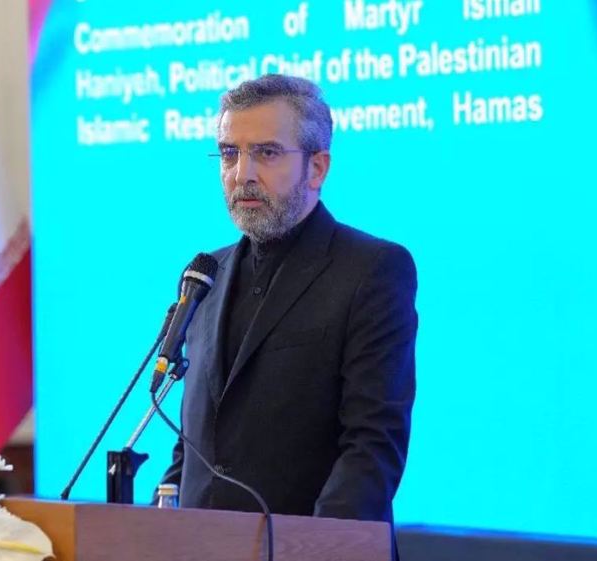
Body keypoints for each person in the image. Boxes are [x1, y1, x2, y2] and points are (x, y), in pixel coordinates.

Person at [159, 73, 417, 527]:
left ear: (317, 168)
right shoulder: (204, 276)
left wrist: (316, 548)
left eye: (267, 152)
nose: (243, 174)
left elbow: (372, 445)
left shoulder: (371, 270)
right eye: (229, 153)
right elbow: (196, 442)